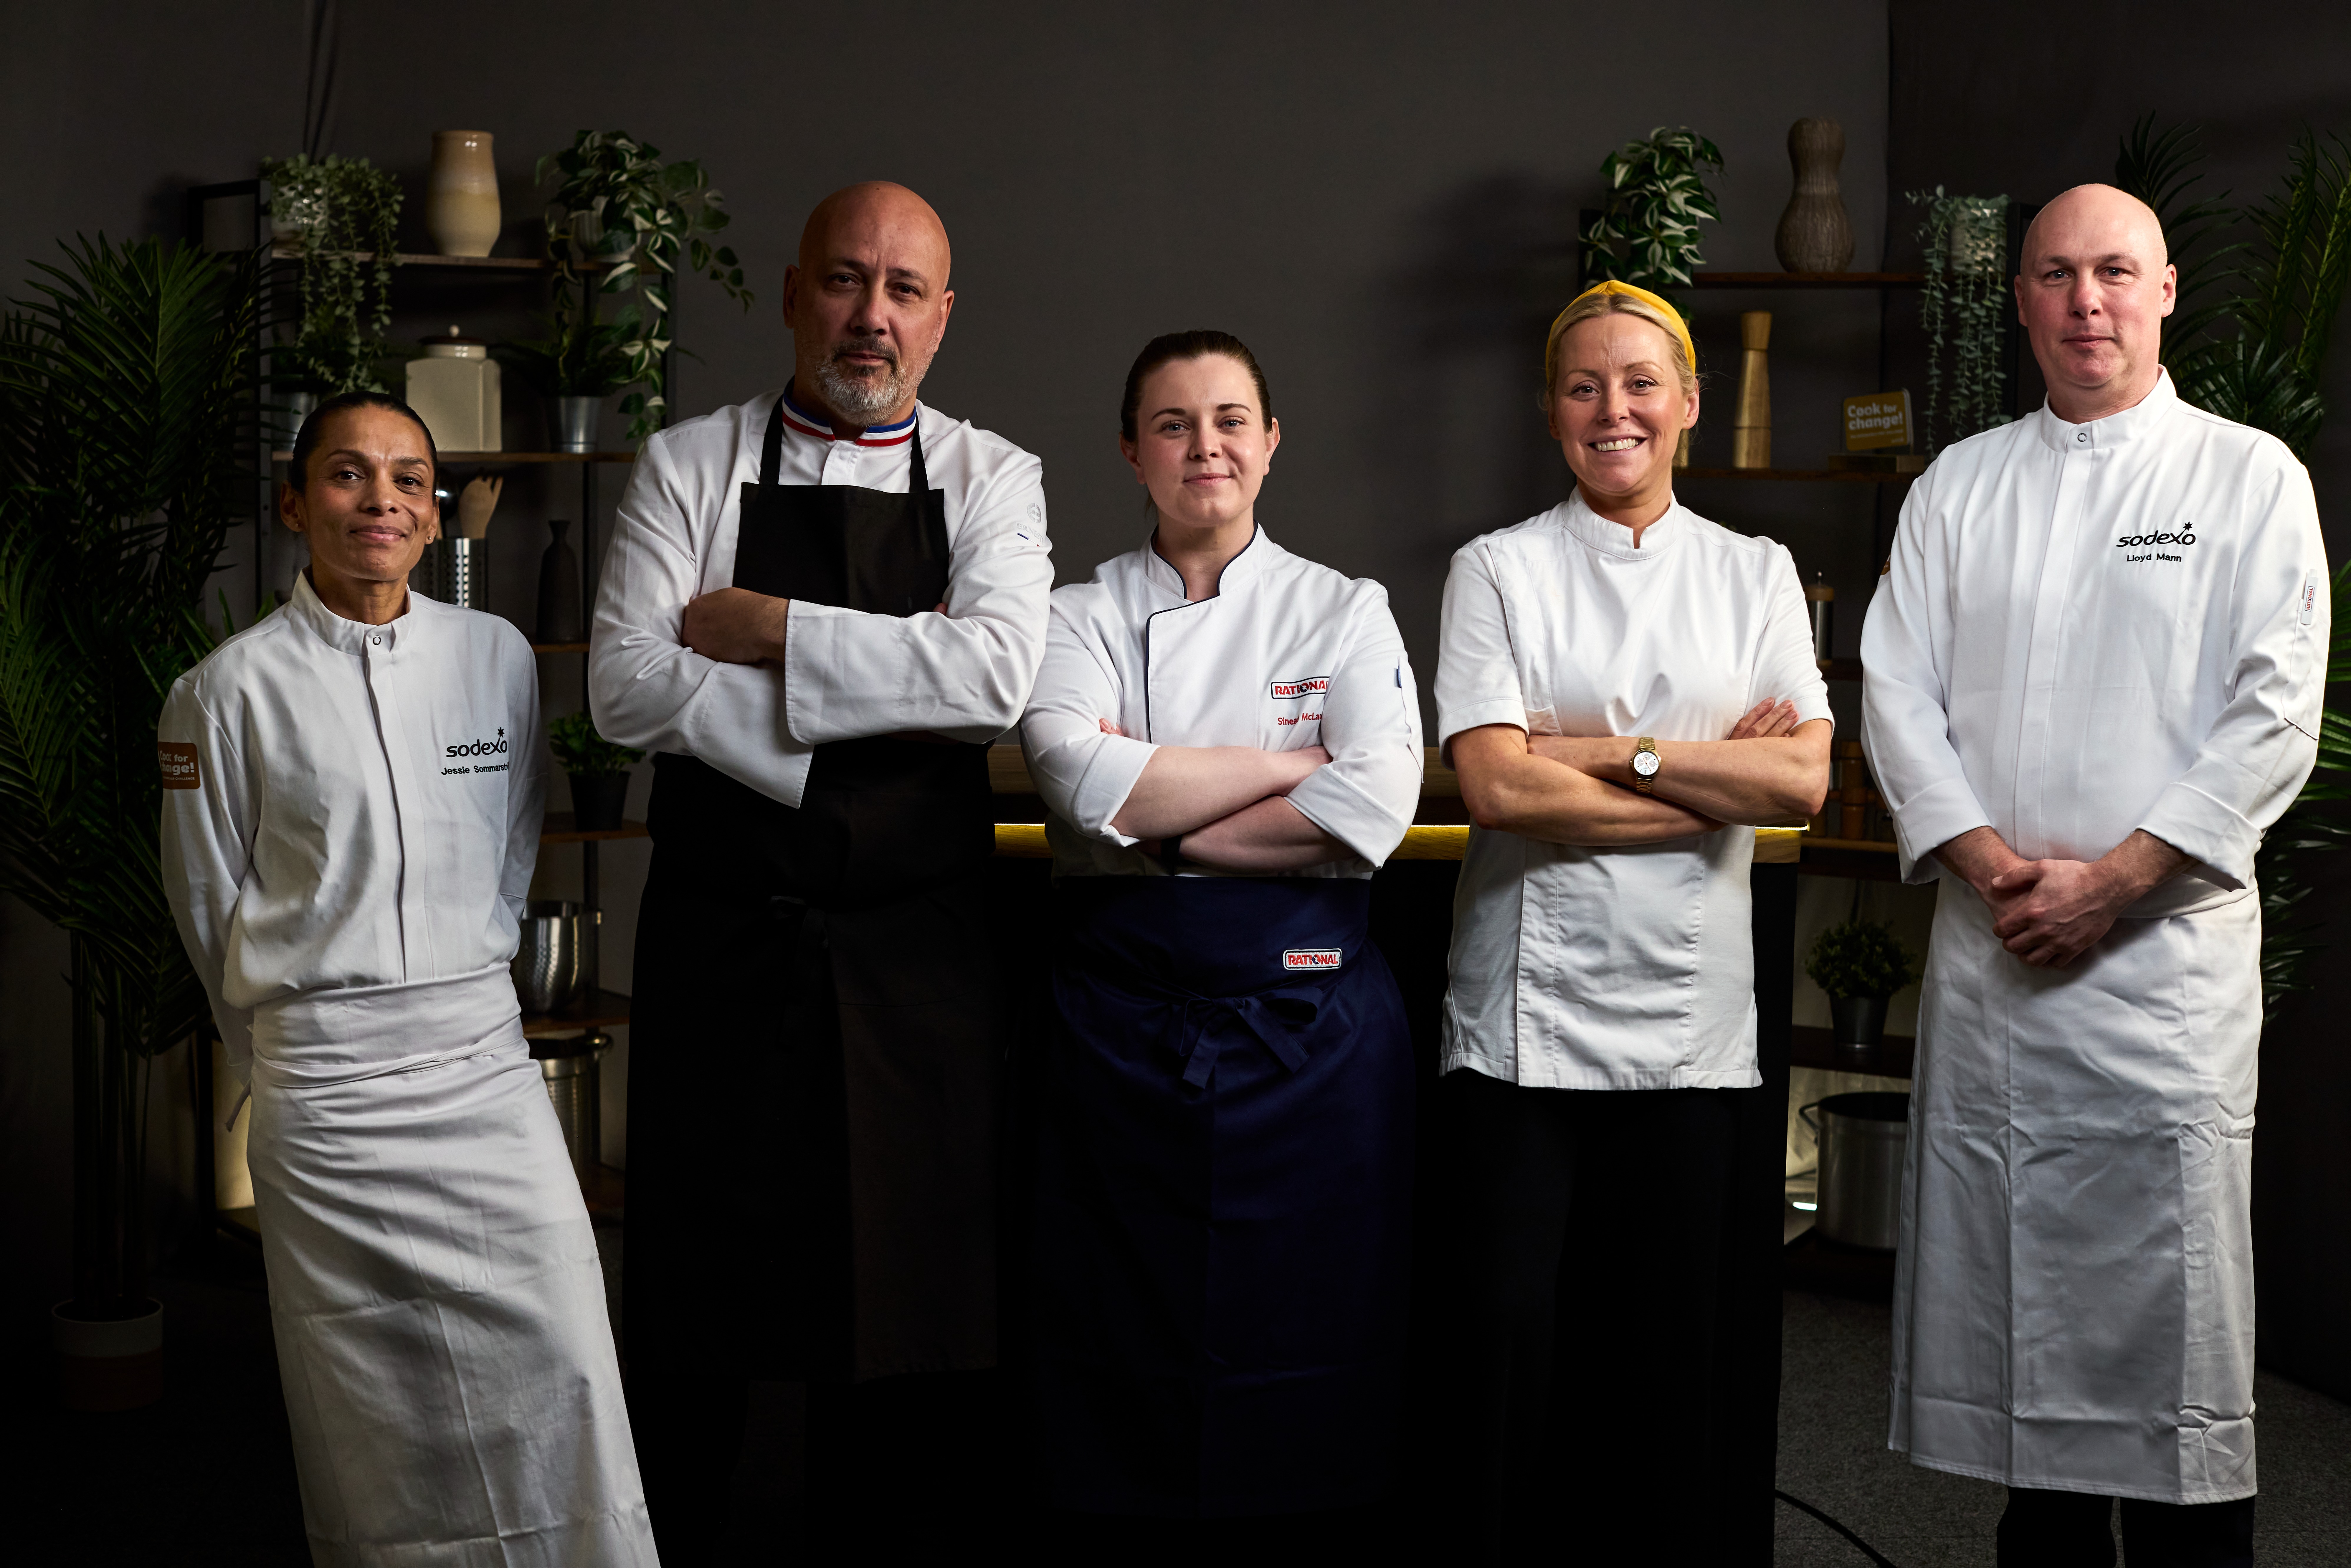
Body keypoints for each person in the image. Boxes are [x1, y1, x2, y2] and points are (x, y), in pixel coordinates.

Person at [1862, 184, 2326, 1568]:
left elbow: (2274, 713)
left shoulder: (2246, 479)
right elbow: (1894, 692)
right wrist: (1993, 865)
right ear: (2019, 301)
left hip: (2159, 976)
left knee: (2176, 1338)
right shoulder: (1958, 487)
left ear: (2165, 290)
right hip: (1997, 960)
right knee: (2026, 1344)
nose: (2085, 302)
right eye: (2056, 275)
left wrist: (2114, 881)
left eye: (2114, 272)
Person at [589, 181, 1053, 1563]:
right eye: (846, 281)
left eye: (905, 290)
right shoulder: (689, 464)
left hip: (917, 968)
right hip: (724, 945)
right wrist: (867, 708)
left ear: (943, 318)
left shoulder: (993, 475)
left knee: (904, 1310)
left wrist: (766, 625)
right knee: (702, 1298)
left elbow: (991, 682)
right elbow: (623, 685)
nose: (872, 316)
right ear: (794, 295)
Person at [160, 392, 657, 1565]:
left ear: (435, 516)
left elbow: (514, 840)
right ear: (295, 505)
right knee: (374, 1417)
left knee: (567, 1369)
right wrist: (291, 1062)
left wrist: (465, 976)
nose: (380, 498)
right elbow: (206, 904)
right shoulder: (223, 691)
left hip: (484, 1071)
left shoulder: (497, 657)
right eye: (347, 473)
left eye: (408, 478)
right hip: (329, 1105)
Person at [1425, 280, 1833, 1561]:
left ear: (1691, 403)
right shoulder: (1495, 569)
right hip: (1522, 1030)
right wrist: (1707, 785)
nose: (1616, 410)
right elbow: (1497, 789)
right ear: (1552, 411)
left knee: (1666, 1359)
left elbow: (1800, 781)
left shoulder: (1755, 573)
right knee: (1509, 1347)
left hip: (1686, 1033)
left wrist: (1595, 754)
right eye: (1585, 385)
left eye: (1643, 383)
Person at [1017, 330, 1422, 1555]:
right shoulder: (1073, 614)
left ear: (1271, 441)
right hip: (1120, 1034)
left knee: (1314, 1313)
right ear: (1131, 451)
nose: (1207, 447)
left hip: (1314, 1033)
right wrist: (1294, 767)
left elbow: (1374, 805)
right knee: (1115, 1319)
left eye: (1231, 419)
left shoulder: (1346, 609)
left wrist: (1162, 818)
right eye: (1175, 423)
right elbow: (1078, 780)